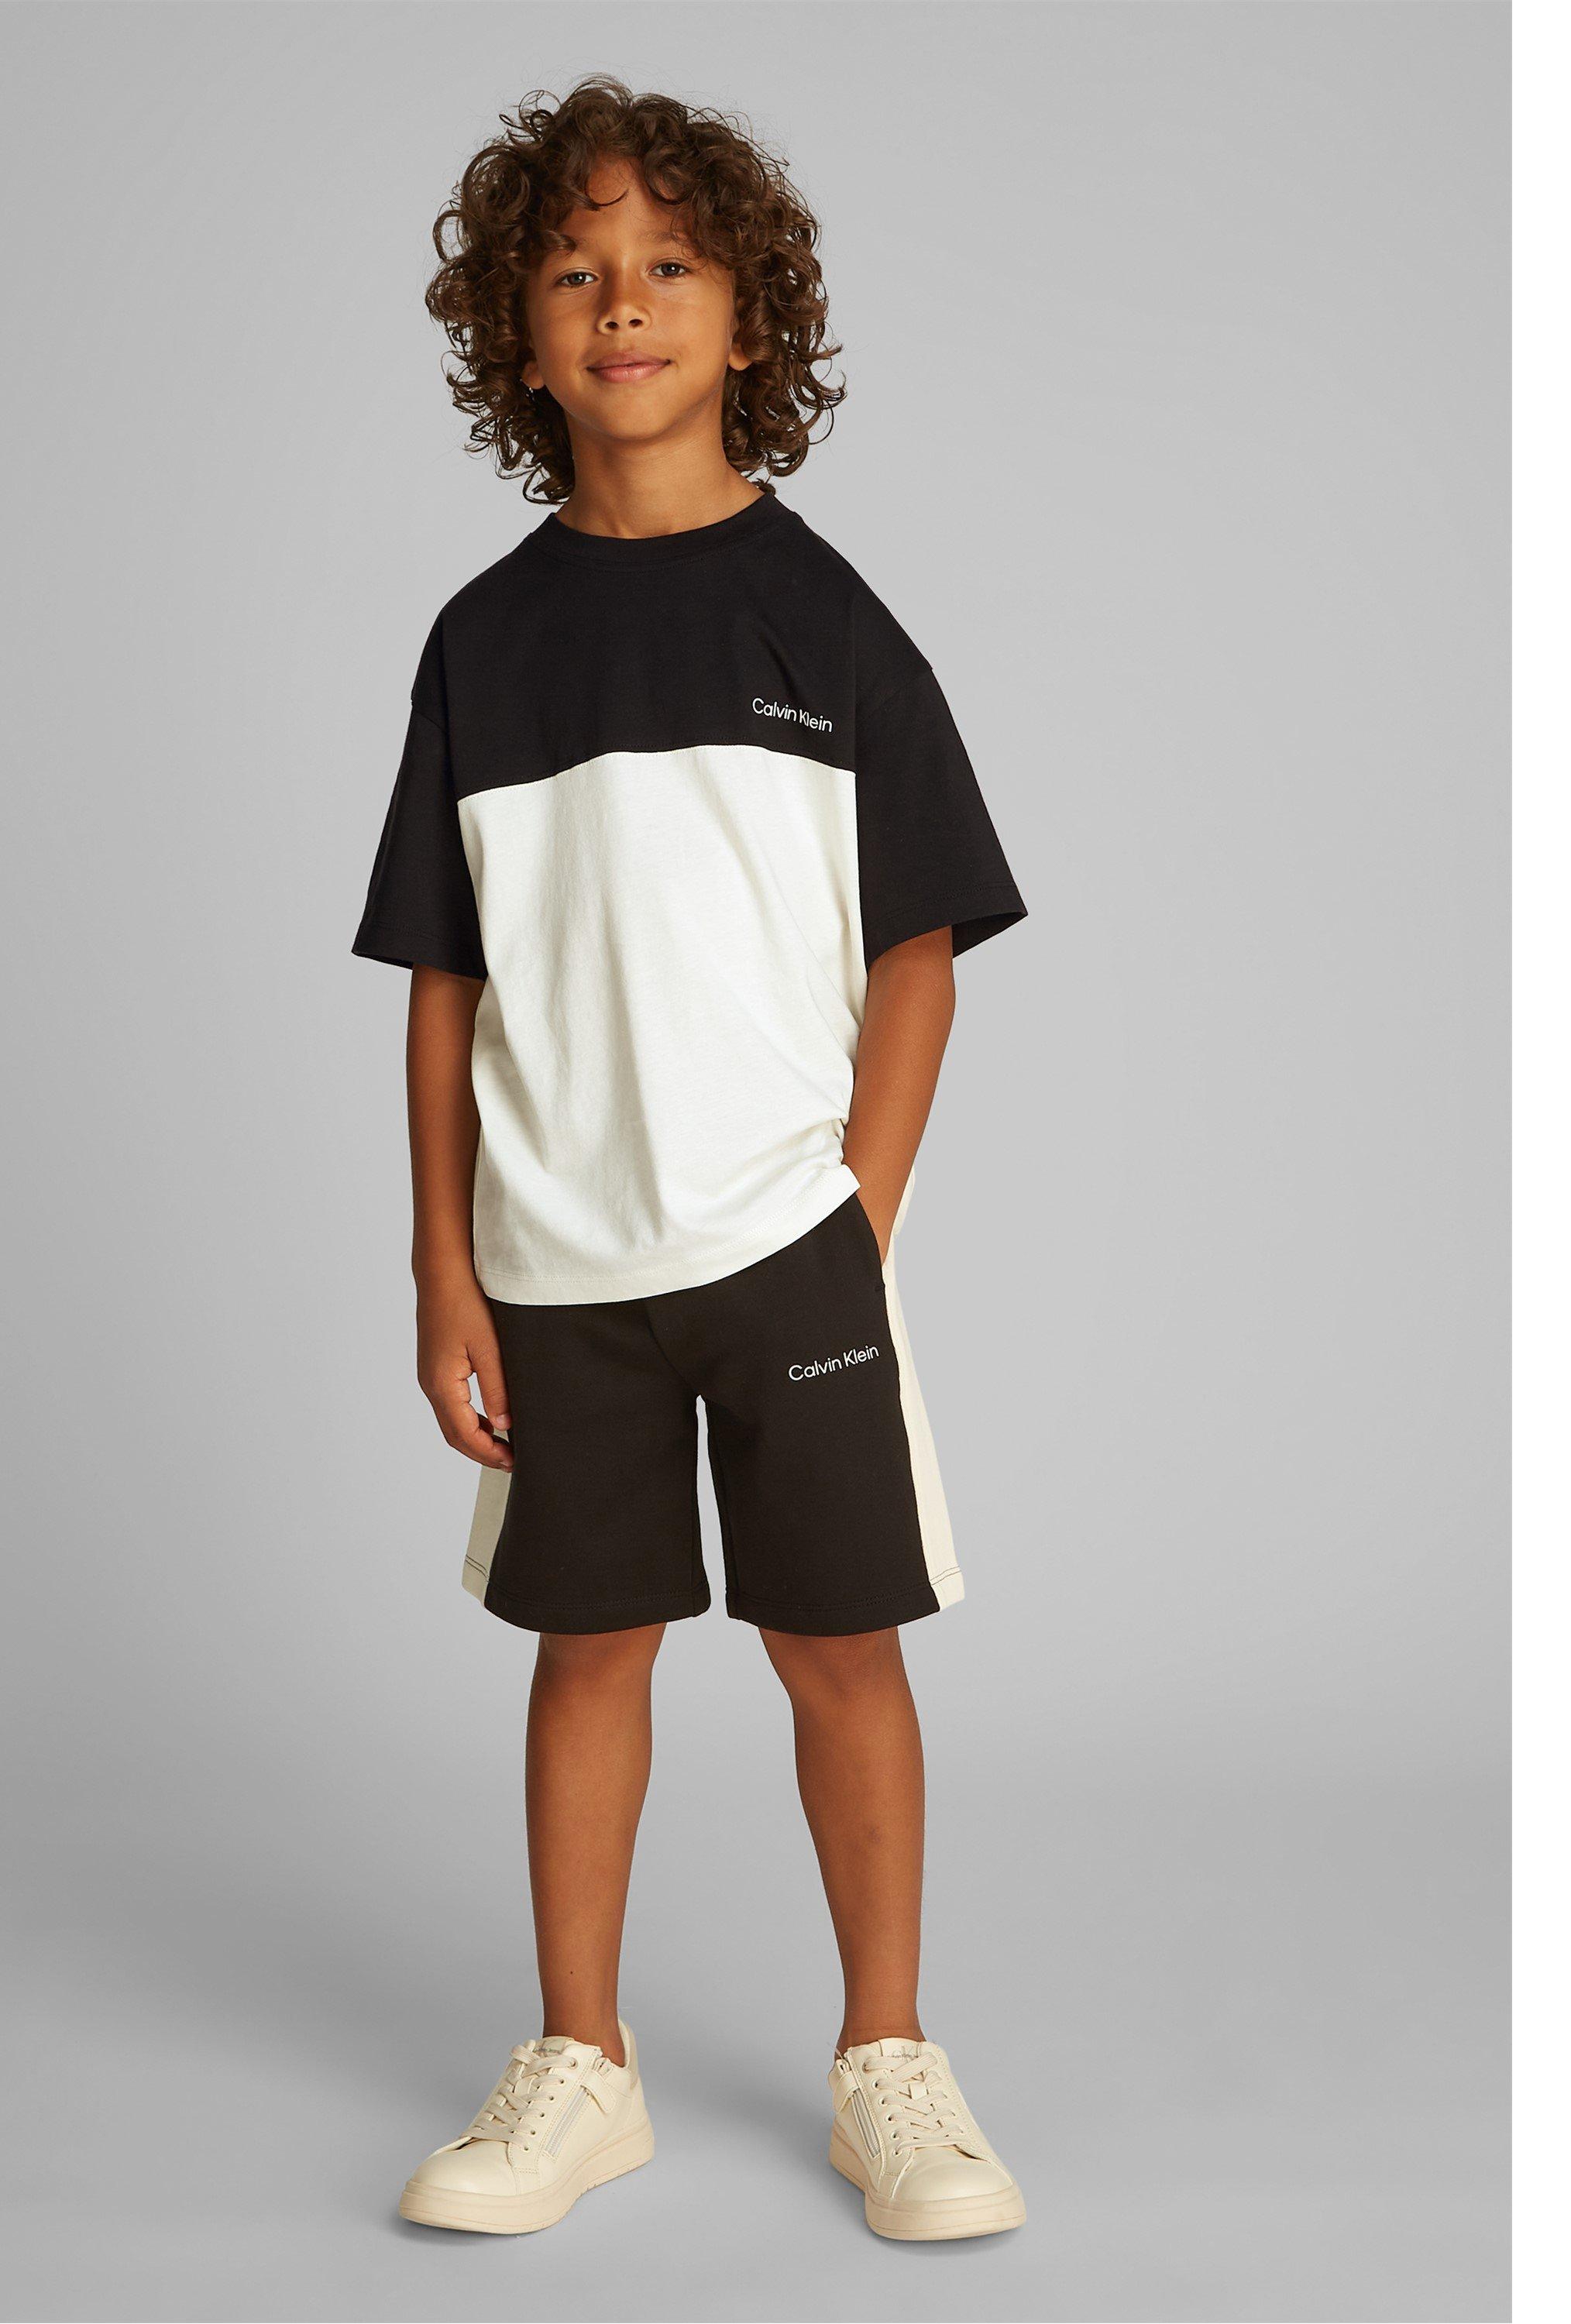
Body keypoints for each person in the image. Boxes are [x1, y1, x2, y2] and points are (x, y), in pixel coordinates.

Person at [352, 77, 1028, 2243]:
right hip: (555, 1262)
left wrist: (857, 1207)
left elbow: (920, 948)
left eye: (665, 265)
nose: (621, 302)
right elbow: (444, 986)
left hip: (786, 1245)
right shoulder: (483, 644)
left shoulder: (828, 617)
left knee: (842, 1647)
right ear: (521, 338)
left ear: (750, 319)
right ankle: (584, 2068)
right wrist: (445, 1268)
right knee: (589, 1649)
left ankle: (887, 2063)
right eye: (574, 272)